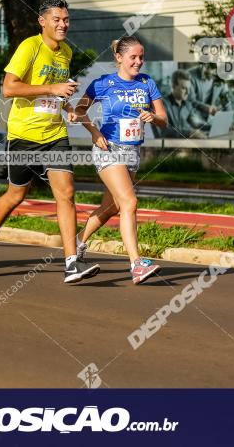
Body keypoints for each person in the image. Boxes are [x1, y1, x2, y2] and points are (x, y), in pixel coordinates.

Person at [0, 0, 100, 284]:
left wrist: (66, 107)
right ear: (42, 21)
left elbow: (57, 94)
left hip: (55, 134)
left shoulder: (65, 52)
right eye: (57, 19)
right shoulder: (29, 47)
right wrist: (52, 86)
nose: (63, 24)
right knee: (17, 195)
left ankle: (71, 263)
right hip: (23, 135)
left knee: (66, 193)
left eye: (66, 19)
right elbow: (9, 88)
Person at [72, 36, 167, 284]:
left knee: (112, 207)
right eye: (133, 57)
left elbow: (164, 119)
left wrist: (152, 117)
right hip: (108, 148)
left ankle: (77, 244)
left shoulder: (147, 83)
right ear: (119, 58)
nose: (139, 62)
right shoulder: (103, 83)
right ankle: (136, 264)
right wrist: (95, 133)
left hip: (132, 152)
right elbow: (79, 110)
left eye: (141, 57)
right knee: (129, 202)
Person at [159, 69, 208, 138]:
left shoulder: (188, 105)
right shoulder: (163, 104)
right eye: (184, 88)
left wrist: (212, 127)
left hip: (188, 144)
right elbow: (164, 131)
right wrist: (189, 133)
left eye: (189, 89)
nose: (188, 93)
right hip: (172, 146)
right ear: (173, 86)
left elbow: (196, 124)